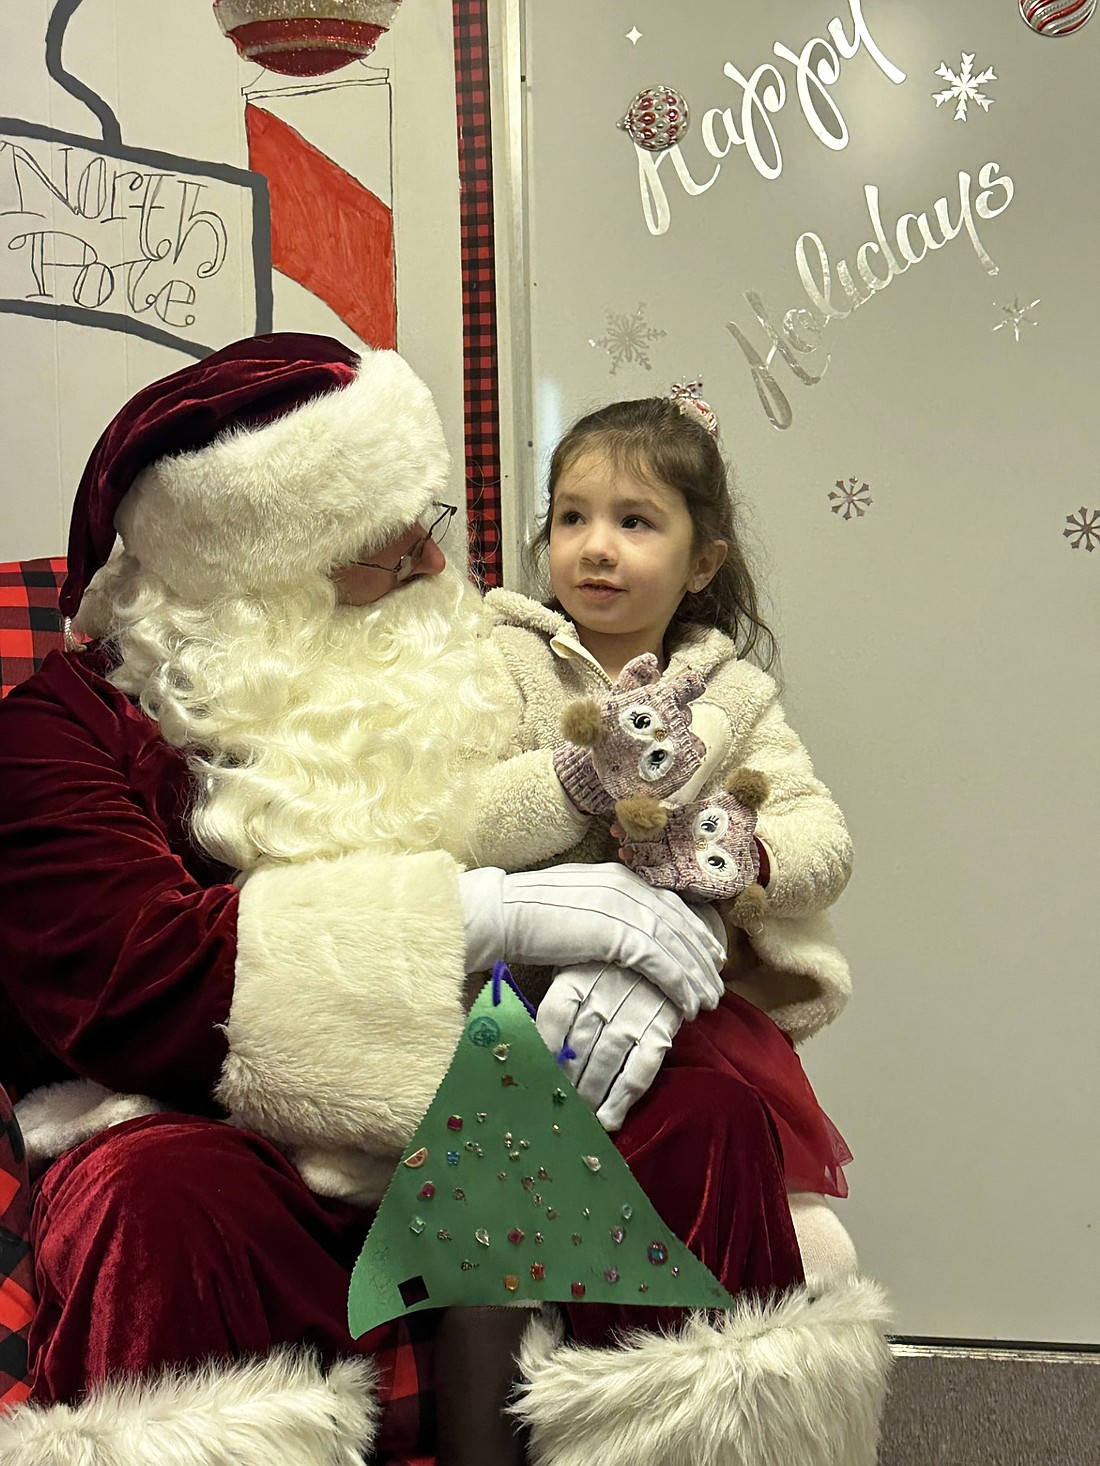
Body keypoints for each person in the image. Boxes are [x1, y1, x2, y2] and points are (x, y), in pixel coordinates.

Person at [0, 337, 888, 1466]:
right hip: (238, 1135)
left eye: (429, 522)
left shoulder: (461, 660)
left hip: (493, 1080)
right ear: (248, 577)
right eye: (377, 550)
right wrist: (484, 917)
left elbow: (638, 834)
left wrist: (656, 944)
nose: (431, 562)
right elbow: (130, 977)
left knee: (704, 1120)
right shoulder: (64, 730)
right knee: (153, 1195)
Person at [464, 387, 862, 1287]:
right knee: (517, 1242)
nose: (595, 546)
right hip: (518, 1001)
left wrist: (740, 851)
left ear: (701, 561)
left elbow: (823, 837)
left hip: (682, 1006)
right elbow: (456, 819)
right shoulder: (502, 660)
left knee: (764, 1224)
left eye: (635, 521)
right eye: (572, 517)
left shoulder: (734, 696)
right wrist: (578, 778)